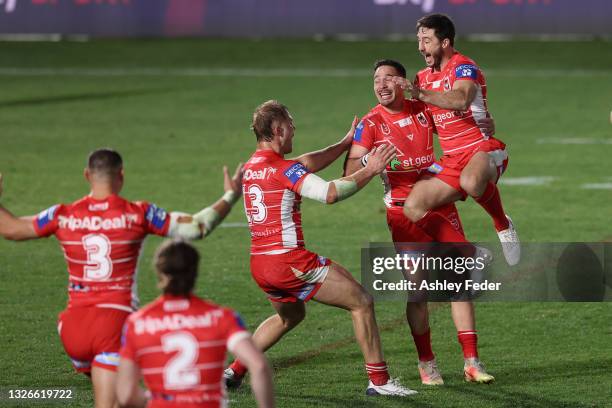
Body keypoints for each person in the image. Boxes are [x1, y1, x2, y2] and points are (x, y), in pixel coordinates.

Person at [0, 149, 243, 408]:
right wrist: (231, 195)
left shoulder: (63, 215)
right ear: (121, 176)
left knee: (121, 399)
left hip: (72, 328)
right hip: (113, 324)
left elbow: (13, 229)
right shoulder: (137, 213)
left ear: (87, 176)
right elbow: (196, 227)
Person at [224, 100, 416, 397]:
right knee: (362, 301)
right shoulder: (284, 170)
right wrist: (370, 170)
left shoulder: (254, 166)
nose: (293, 131)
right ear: (277, 129)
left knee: (290, 316)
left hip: (261, 264)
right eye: (290, 126)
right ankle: (379, 382)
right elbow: (328, 194)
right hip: (290, 262)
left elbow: (305, 163)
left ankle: (234, 371)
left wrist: (343, 144)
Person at [345, 59, 495, 384]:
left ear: (403, 83)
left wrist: (484, 125)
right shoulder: (370, 123)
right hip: (403, 216)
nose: (382, 85)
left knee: (461, 283)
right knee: (418, 291)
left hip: (437, 203)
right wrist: (370, 161)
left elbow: (459, 126)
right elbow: (349, 171)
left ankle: (472, 361)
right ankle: (426, 362)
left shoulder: (423, 109)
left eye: (389, 79)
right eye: (376, 80)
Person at [394, 13, 520, 266]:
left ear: (444, 42)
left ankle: (503, 225)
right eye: (419, 40)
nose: (421, 47)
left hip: (483, 149)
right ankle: (471, 253)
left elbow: (461, 99)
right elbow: (436, 123)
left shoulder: (464, 67)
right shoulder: (423, 77)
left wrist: (420, 94)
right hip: (452, 158)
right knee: (413, 206)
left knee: (472, 182)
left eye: (427, 40)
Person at [116, 239, 274, 408]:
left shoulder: (137, 322)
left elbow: (125, 396)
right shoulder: (222, 317)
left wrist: (157, 399)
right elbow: (258, 365)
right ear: (195, 272)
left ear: (159, 271)